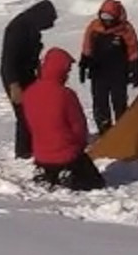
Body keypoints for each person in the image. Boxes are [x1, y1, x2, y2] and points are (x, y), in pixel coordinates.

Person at [21, 47, 106, 191]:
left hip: (41, 154)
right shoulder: (66, 94)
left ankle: (47, 173)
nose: (67, 75)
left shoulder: (29, 93)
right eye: (67, 71)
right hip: (66, 155)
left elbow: (30, 125)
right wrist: (80, 145)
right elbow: (78, 126)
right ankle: (69, 174)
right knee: (97, 183)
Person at [0, 0, 57, 159]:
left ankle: (33, 146)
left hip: (28, 75)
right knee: (24, 114)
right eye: (49, 21)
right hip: (15, 78)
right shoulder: (17, 29)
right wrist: (14, 85)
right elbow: (8, 61)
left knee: (33, 112)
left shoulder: (30, 26)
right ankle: (23, 152)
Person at [78, 0, 138, 134]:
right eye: (103, 16)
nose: (106, 21)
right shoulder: (94, 27)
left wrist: (134, 69)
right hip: (98, 72)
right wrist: (83, 64)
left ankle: (122, 131)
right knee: (100, 103)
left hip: (118, 74)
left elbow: (133, 50)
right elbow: (87, 46)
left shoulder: (125, 29)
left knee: (119, 103)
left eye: (109, 17)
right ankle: (104, 131)